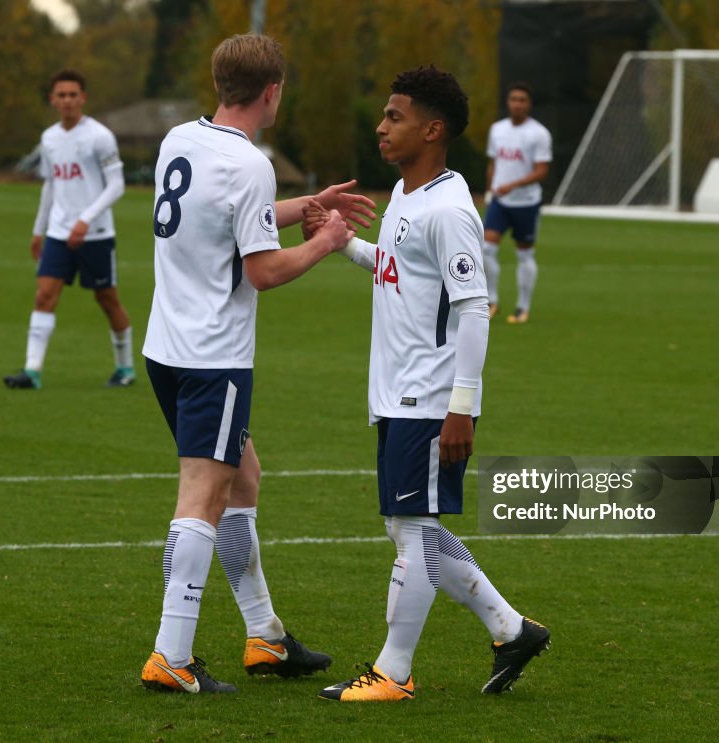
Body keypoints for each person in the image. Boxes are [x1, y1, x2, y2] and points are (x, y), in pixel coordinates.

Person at [139, 33, 377, 695]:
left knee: (242, 478)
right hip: (213, 356)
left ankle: (265, 636)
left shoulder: (182, 141)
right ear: (273, 91)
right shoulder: (252, 163)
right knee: (204, 495)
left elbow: (221, 220)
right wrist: (327, 241)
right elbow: (263, 269)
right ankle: (171, 653)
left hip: (166, 346)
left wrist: (306, 206)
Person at [308, 66, 549, 702]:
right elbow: (399, 271)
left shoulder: (449, 209)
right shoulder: (407, 195)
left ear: (432, 129)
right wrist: (343, 244)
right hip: (397, 391)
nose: (381, 126)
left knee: (411, 530)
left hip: (429, 396)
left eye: (395, 116)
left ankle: (394, 671)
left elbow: (473, 307)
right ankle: (511, 627)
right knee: (406, 526)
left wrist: (460, 408)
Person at [4, 69, 135, 390]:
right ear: (52, 100)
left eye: (73, 94)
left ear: (83, 98)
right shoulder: (49, 138)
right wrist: (39, 229)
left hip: (96, 234)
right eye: (61, 95)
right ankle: (32, 372)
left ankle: (125, 368)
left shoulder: (100, 137)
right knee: (44, 296)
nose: (67, 101)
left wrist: (85, 219)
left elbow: (117, 185)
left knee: (107, 300)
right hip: (59, 234)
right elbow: (51, 185)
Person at [482, 82, 551, 324]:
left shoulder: (539, 134)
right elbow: (493, 162)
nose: (517, 104)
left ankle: (523, 307)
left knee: (525, 255)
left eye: (522, 99)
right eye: (513, 99)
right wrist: (491, 186)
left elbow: (542, 171)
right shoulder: (497, 130)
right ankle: (492, 301)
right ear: (508, 102)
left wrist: (513, 185)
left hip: (526, 203)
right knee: (486, 249)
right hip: (500, 202)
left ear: (529, 104)